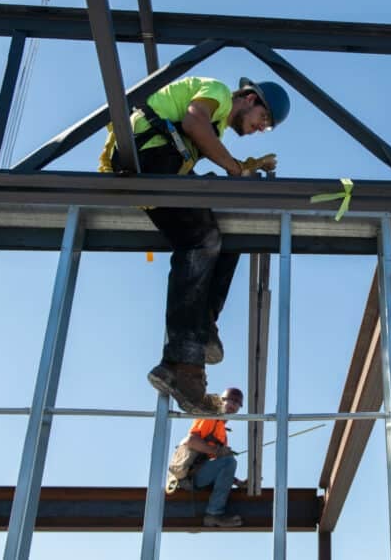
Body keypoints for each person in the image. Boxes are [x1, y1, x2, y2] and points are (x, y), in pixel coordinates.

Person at [98, 76, 291, 413]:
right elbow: (193, 122)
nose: (261, 128)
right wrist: (234, 168)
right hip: (148, 155)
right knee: (200, 239)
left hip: (159, 165)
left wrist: (238, 167)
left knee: (228, 231)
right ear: (248, 98)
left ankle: (202, 326)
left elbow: (201, 133)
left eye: (267, 127)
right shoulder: (216, 90)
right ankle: (182, 360)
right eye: (264, 119)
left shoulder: (214, 126)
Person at [179, 387, 246, 528]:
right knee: (228, 461)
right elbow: (190, 441)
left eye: (237, 403)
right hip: (190, 475)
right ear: (222, 401)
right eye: (231, 400)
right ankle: (214, 514)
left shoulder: (222, 431)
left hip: (200, 474)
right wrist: (215, 450)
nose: (234, 405)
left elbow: (218, 467)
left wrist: (237, 482)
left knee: (228, 461)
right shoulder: (210, 417)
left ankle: (215, 513)